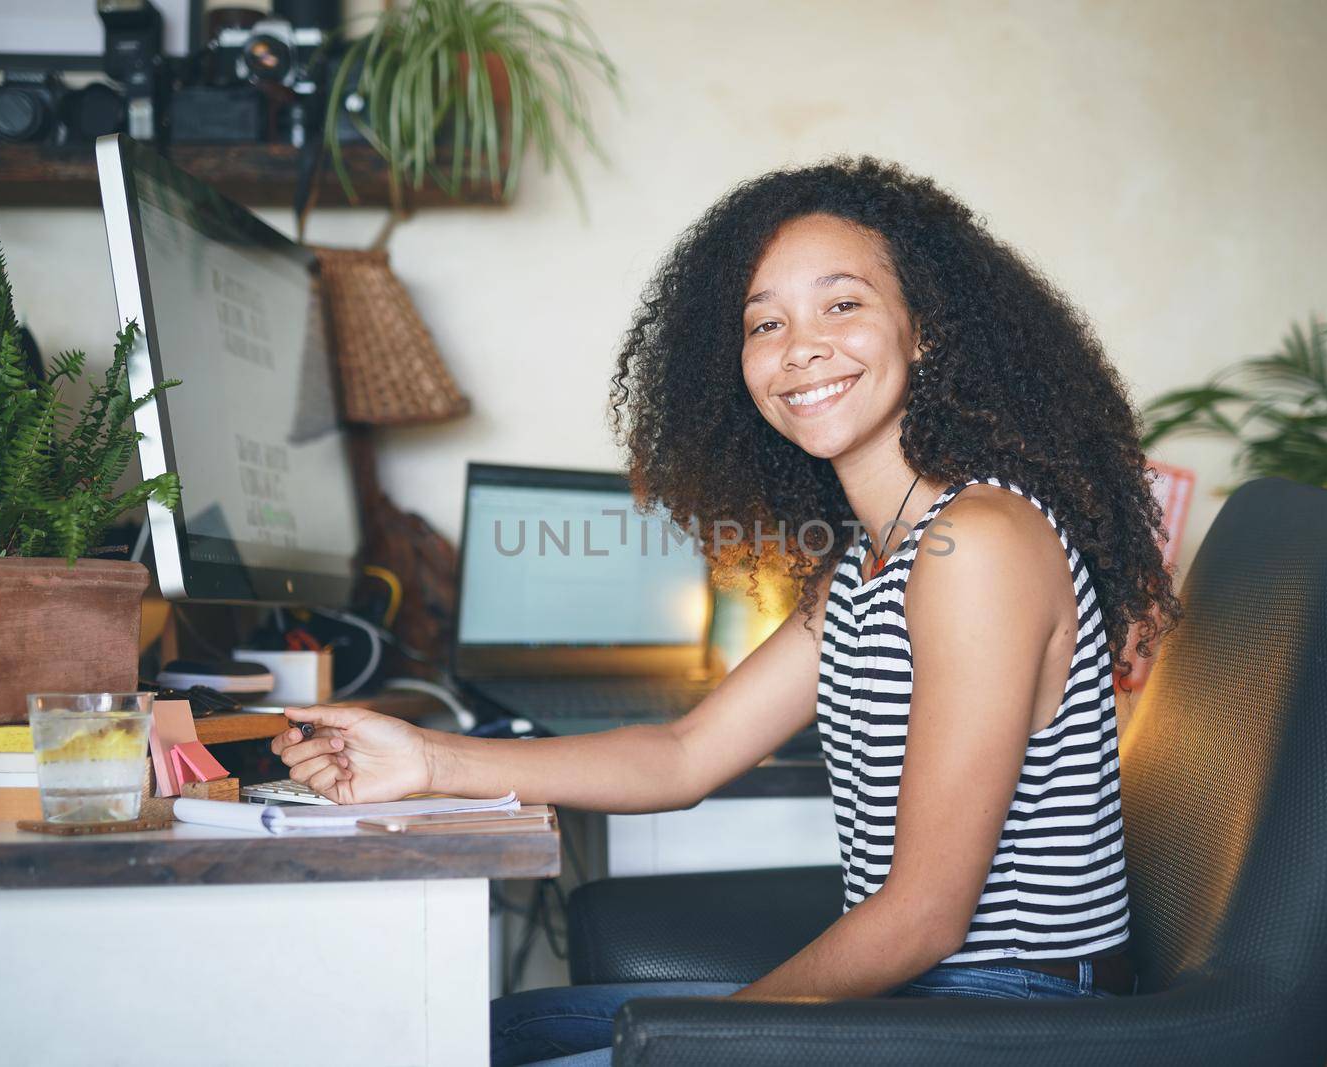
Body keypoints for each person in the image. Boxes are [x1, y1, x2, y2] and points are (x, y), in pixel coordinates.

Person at [273, 156, 1182, 1066]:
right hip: (940, 994)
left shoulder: (978, 543)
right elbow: (682, 755)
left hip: (1017, 1013)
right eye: (765, 323)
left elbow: (923, 917)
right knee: (502, 1033)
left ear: (927, 329)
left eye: (843, 304)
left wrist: (707, 1041)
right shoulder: (874, 560)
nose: (800, 347)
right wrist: (427, 757)